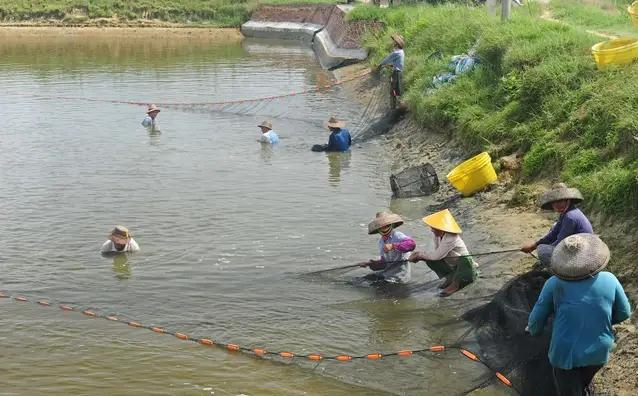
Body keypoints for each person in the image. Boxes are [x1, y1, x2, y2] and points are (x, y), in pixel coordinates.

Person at [527, 233, 631, 396]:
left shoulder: (553, 284)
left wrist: (533, 330)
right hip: (600, 351)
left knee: (567, 389)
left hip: (565, 355)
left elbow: (536, 320)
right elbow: (624, 312)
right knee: (584, 380)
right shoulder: (610, 279)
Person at [521, 183, 593, 267]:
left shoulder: (570, 217)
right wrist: (534, 245)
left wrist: (542, 248)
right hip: (576, 246)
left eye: (560, 201)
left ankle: (558, 271)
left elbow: (560, 244)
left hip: (582, 254)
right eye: (554, 202)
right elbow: (554, 233)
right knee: (553, 227)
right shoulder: (566, 213)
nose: (557, 205)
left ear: (568, 200)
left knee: (542, 250)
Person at [408, 209, 477, 296]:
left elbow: (437, 256)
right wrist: (420, 256)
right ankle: (450, 277)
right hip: (453, 265)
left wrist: (419, 255)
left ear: (441, 228)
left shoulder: (451, 237)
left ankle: (456, 284)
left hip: (465, 267)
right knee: (429, 259)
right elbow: (437, 253)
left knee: (464, 259)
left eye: (433, 228)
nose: (432, 230)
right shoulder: (437, 236)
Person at [359, 211, 416, 284]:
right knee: (361, 280)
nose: (384, 228)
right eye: (381, 227)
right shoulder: (381, 242)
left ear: (391, 225)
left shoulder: (397, 235)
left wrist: (393, 246)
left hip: (398, 277)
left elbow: (412, 244)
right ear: (378, 229)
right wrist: (370, 264)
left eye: (386, 226)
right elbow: (384, 263)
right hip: (386, 273)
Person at [377, 33, 405, 108]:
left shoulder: (396, 53)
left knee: (393, 90)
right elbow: (399, 63)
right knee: (397, 89)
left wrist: (379, 65)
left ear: (396, 44)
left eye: (394, 42)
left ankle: (395, 107)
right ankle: (397, 105)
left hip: (396, 73)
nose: (392, 43)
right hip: (399, 72)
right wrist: (391, 65)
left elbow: (386, 60)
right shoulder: (401, 52)